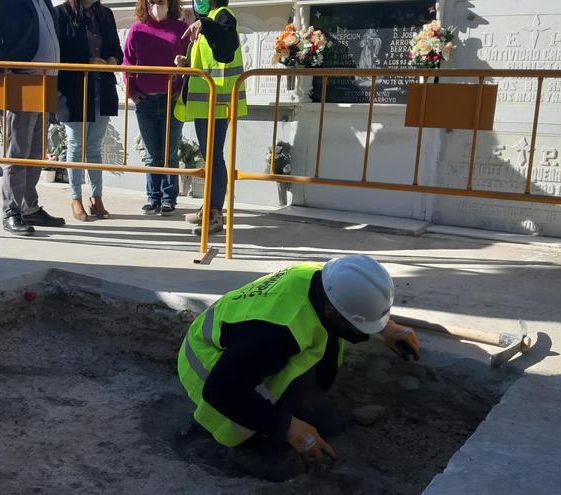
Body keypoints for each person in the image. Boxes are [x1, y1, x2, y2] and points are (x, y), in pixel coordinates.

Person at [177, 255, 421, 481]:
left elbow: (349, 304)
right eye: (356, 326)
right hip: (211, 369)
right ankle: (241, 446)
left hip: (247, 353)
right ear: (331, 310)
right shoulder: (274, 334)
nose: (358, 332)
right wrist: (286, 426)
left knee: (328, 424)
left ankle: (290, 411)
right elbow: (221, 389)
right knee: (284, 465)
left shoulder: (326, 279)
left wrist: (386, 327)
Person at [0, 0, 66, 236]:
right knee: (18, 150)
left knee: (35, 151)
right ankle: (11, 210)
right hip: (20, 81)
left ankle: (29, 207)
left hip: (44, 82)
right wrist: (1, 67)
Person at [174, 0, 248, 235]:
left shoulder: (222, 15)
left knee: (214, 158)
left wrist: (204, 23)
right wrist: (186, 63)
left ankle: (215, 212)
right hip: (206, 104)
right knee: (210, 157)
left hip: (217, 103)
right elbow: (208, 59)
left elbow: (226, 46)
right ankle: (209, 208)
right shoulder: (209, 19)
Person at [54, 0, 123, 222]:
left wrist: (113, 59)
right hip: (74, 90)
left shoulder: (105, 14)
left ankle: (97, 197)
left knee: (94, 146)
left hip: (101, 89)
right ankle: (76, 198)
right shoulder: (61, 14)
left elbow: (116, 49)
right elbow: (58, 53)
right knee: (76, 144)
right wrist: (87, 61)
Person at [123, 0, 189, 217]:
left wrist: (183, 88)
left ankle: (169, 200)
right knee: (152, 154)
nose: (156, 5)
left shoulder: (180, 29)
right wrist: (132, 91)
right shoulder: (137, 30)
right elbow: (127, 63)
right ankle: (153, 198)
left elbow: (190, 62)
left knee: (170, 152)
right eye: (152, 1)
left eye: (161, 1)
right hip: (146, 102)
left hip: (172, 99)